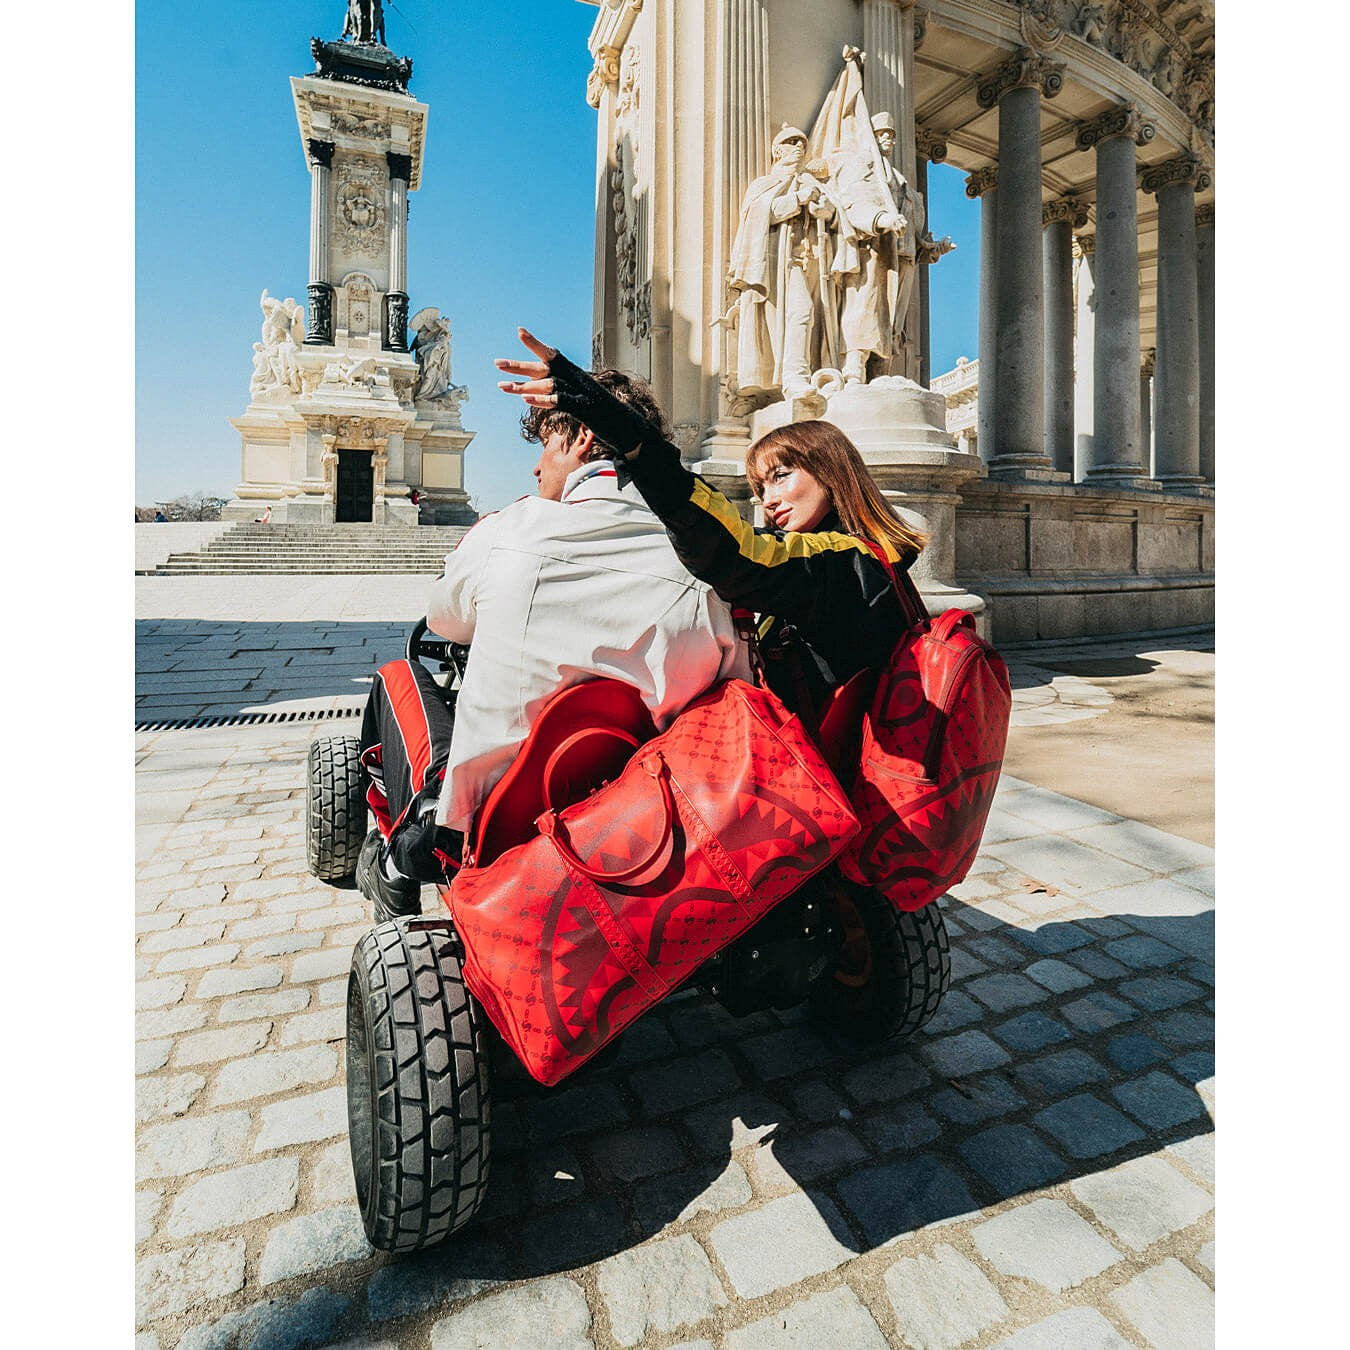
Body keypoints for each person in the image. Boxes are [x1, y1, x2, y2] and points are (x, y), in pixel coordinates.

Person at [354, 366, 749, 922]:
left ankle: (397, 865)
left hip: (497, 825)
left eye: (545, 443)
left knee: (398, 679)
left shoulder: (510, 529)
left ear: (580, 437)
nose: (537, 466)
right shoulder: (705, 556)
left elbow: (443, 619)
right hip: (646, 816)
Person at [495, 330, 928, 717]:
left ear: (832, 473)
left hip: (823, 770)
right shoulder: (865, 559)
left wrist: (631, 437)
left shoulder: (842, 560)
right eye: (759, 488)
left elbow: (735, 552)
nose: (768, 500)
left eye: (781, 476)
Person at [728, 126, 857, 399]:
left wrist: (827, 211)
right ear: (777, 150)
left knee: (817, 317)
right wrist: (798, 199)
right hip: (784, 261)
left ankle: (817, 371)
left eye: (802, 143)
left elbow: (837, 217)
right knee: (802, 310)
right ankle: (794, 378)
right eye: (791, 142)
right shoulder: (764, 184)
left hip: (817, 261)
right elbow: (759, 215)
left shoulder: (813, 184)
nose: (799, 146)